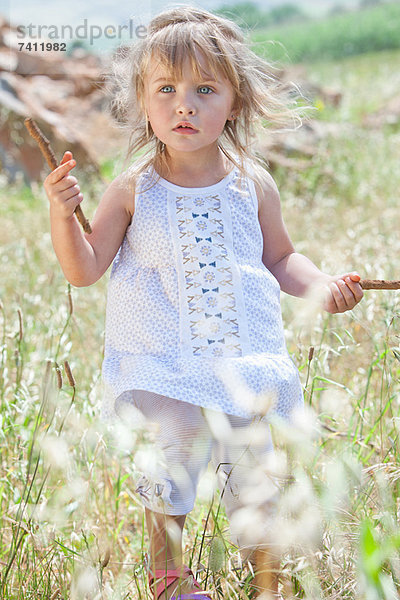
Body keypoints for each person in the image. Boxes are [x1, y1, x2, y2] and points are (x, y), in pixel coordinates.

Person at [44, 6, 364, 599]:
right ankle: (168, 578)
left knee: (257, 476)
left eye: (204, 89)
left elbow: (280, 257)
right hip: (166, 363)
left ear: (234, 102)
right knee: (170, 466)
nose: (183, 105)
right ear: (143, 101)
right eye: (165, 89)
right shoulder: (135, 185)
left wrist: (321, 285)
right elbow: (84, 269)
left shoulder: (252, 181)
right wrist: (65, 217)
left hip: (241, 361)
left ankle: (266, 580)